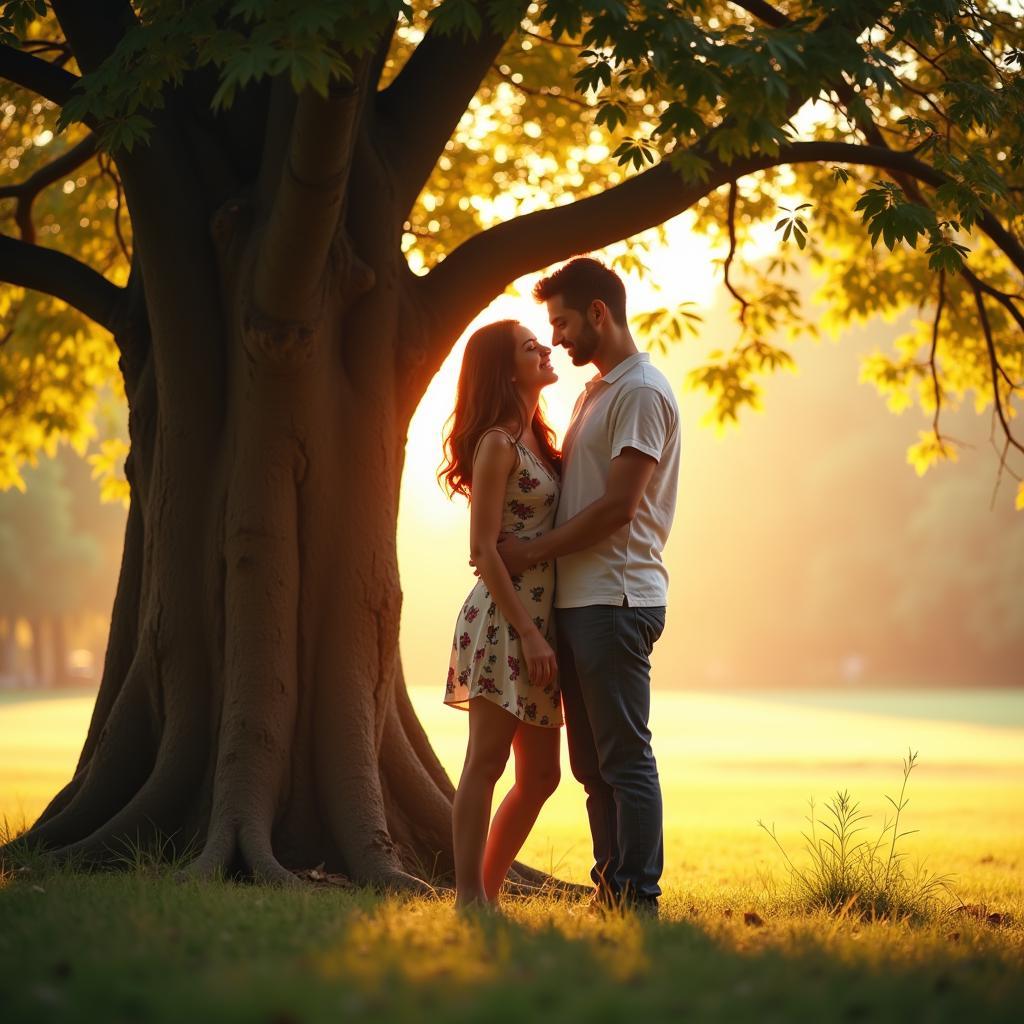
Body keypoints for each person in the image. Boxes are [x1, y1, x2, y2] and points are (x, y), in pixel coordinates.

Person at [495, 257, 680, 916]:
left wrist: (531, 552)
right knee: (591, 769)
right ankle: (612, 890)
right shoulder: (594, 392)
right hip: (578, 603)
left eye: (564, 322)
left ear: (598, 313)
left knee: (624, 759)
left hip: (616, 598)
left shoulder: (641, 392)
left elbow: (617, 508)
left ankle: (638, 897)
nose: (559, 338)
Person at [439, 318, 564, 909]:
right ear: (505, 369)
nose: (544, 348)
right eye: (529, 346)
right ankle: (469, 898)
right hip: (504, 623)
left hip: (540, 623)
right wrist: (529, 634)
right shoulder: (497, 443)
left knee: (542, 777)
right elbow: (482, 551)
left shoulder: (540, 436)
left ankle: (486, 890)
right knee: (485, 761)